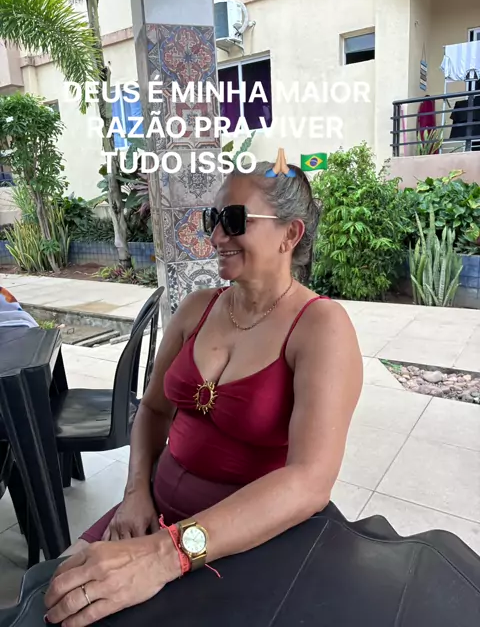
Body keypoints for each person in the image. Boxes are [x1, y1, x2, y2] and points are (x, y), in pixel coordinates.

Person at [43, 156, 363, 627]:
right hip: (152, 514)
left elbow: (309, 481)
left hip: (244, 542)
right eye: (213, 218)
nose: (214, 237)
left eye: (234, 220)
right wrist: (135, 493)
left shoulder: (320, 327)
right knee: (55, 598)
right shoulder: (197, 308)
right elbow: (153, 410)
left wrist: (165, 554)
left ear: (290, 234)